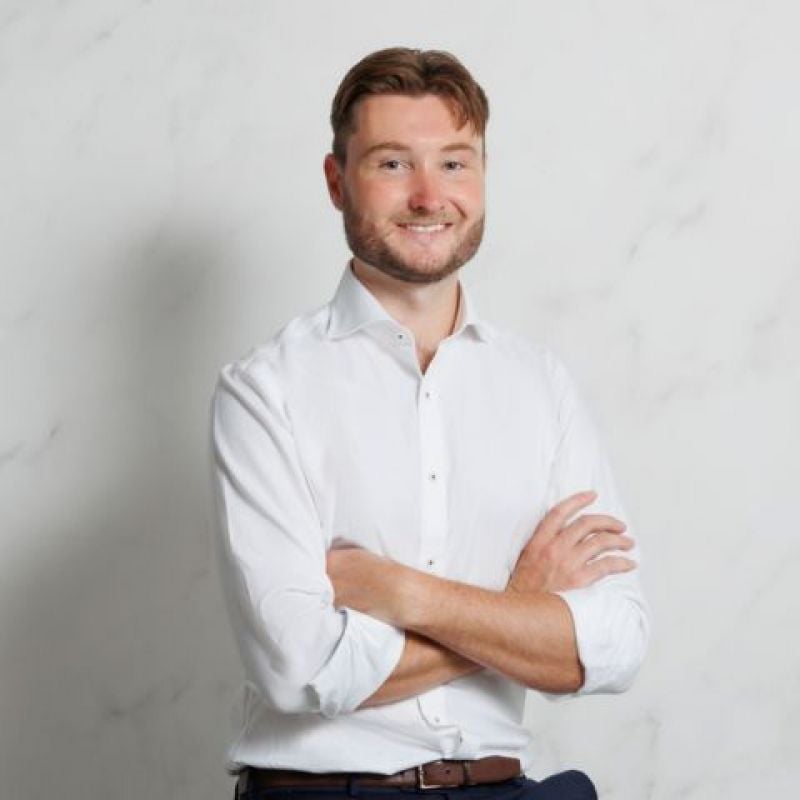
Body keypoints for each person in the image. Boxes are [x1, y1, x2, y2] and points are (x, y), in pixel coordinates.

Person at [209, 47, 649, 800]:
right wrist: (520, 610)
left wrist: (405, 595)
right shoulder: (265, 391)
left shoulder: (540, 385)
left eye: (453, 163)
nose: (428, 195)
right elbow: (298, 667)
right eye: (392, 164)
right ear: (336, 181)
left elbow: (616, 643)